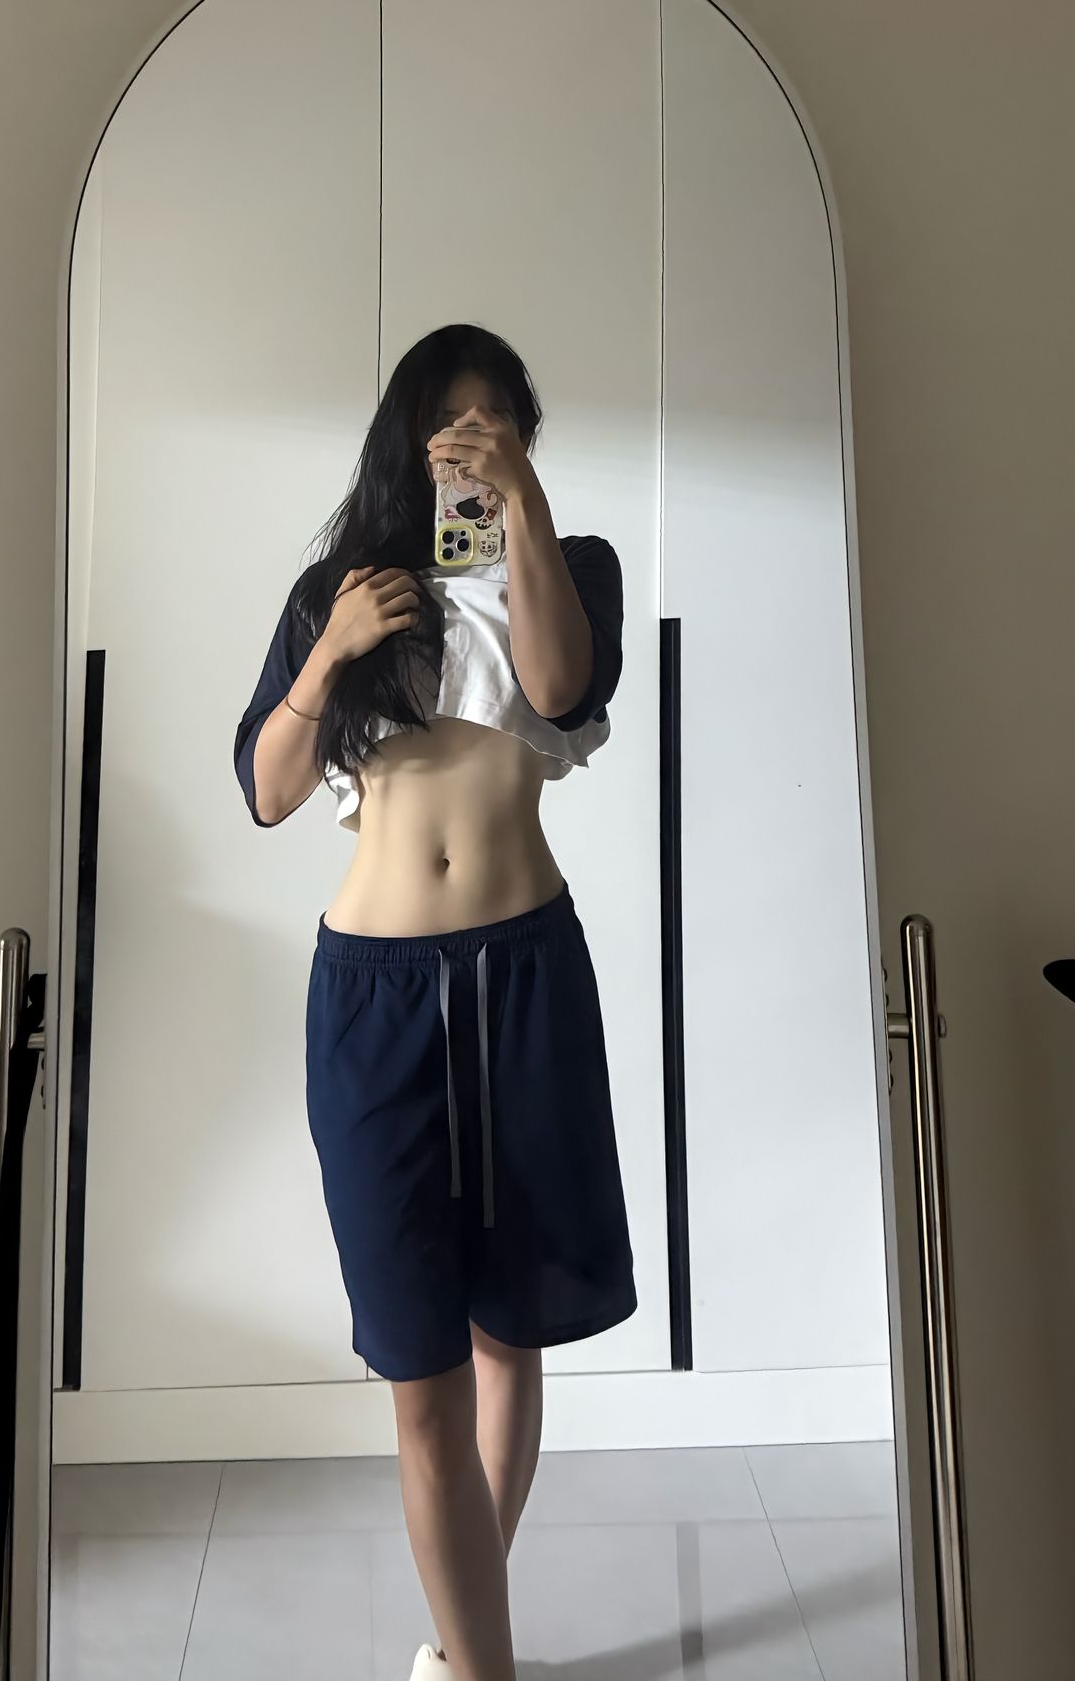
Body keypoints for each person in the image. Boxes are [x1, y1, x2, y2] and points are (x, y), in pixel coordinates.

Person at [232, 323, 637, 1681]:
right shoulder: (340, 593)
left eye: (494, 425)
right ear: (403, 441)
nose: (466, 447)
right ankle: (482, 1663)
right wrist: (330, 650)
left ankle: (468, 1658)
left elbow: (560, 686)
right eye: (447, 426)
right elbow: (267, 792)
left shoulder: (572, 569)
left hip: (526, 978)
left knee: (512, 1341)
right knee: (422, 1374)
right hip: (377, 996)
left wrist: (523, 509)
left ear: (522, 439)